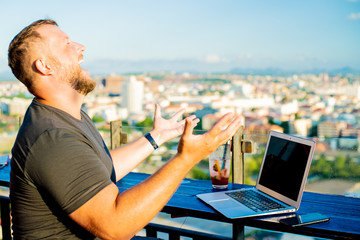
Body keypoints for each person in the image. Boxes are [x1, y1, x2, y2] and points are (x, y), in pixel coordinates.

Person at [8, 19, 243, 240]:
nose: (81, 47)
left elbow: (100, 170)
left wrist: (156, 137)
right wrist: (186, 158)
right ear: (45, 66)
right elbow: (114, 227)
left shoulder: (64, 117)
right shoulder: (53, 137)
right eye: (67, 44)